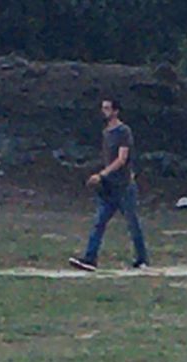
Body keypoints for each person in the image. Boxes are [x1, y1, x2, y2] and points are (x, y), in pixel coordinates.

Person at [69, 96, 150, 271]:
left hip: (124, 186)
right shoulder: (106, 132)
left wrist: (102, 174)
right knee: (99, 222)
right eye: (103, 108)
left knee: (132, 223)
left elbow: (122, 159)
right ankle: (90, 259)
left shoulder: (123, 132)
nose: (103, 111)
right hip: (109, 188)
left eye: (107, 108)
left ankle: (142, 259)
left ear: (115, 111)